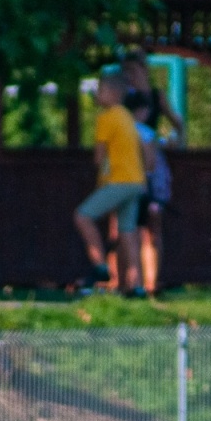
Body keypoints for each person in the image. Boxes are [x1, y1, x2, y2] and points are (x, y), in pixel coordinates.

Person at [74, 74, 150, 295]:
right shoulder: (127, 116)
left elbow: (99, 158)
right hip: (136, 181)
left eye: (101, 90)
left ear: (114, 94)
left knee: (83, 216)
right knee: (128, 231)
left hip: (119, 181)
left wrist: (101, 176)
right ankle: (136, 286)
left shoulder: (106, 118)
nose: (97, 94)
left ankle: (100, 266)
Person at [125, 91, 172, 297]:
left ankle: (129, 281)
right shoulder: (146, 134)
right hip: (145, 190)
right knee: (149, 235)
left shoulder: (120, 131)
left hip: (123, 189)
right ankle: (150, 282)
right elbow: (151, 166)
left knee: (127, 234)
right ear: (142, 112)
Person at [120, 51, 186, 144]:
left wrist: (176, 139)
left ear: (144, 69)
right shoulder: (124, 96)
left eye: (132, 70)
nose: (128, 75)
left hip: (150, 147)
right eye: (125, 70)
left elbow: (177, 121)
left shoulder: (157, 96)